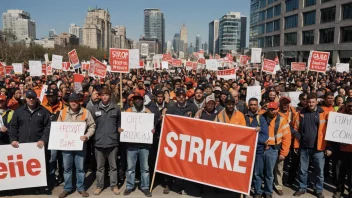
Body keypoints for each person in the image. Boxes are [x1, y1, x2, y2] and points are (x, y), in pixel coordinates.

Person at [9, 90, 51, 194]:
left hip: (37, 146)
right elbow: (13, 126)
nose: (31, 99)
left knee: (36, 167)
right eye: (29, 98)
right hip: (22, 145)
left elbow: (48, 127)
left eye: (33, 97)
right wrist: (13, 139)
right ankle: (20, 187)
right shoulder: (18, 111)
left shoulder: (43, 111)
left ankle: (36, 187)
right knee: (21, 167)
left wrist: (43, 139)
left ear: (36, 98)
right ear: (26, 99)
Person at [292, 93, 332, 198]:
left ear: (317, 102)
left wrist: (329, 147)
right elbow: (294, 129)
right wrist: (298, 141)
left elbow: (329, 131)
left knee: (319, 171)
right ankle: (302, 188)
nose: (311, 104)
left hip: (319, 148)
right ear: (306, 102)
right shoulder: (300, 113)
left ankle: (318, 190)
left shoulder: (324, 113)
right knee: (303, 170)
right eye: (309, 102)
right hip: (304, 147)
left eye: (313, 102)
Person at [57, 93, 96, 198]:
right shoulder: (62, 113)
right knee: (67, 168)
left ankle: (81, 187)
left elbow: (92, 126)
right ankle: (67, 188)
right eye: (71, 101)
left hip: (80, 145)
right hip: (66, 146)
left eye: (75, 101)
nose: (73, 103)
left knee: (80, 168)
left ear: (79, 102)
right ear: (68, 102)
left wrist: (87, 136)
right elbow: (58, 127)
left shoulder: (86, 112)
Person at [119, 93, 154, 197]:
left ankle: (145, 187)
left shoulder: (147, 112)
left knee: (145, 168)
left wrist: (152, 130)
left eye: (140, 99)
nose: (138, 101)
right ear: (133, 101)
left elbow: (151, 126)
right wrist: (120, 128)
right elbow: (122, 124)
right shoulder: (128, 111)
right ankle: (129, 186)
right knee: (130, 168)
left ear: (143, 100)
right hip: (131, 145)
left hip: (144, 145)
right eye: (136, 99)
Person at [90, 88, 121, 195]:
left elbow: (119, 122)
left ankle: (114, 185)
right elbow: (91, 124)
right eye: (102, 95)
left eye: (106, 95)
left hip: (112, 142)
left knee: (113, 166)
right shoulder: (95, 109)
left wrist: (119, 128)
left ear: (110, 96)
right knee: (100, 167)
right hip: (99, 142)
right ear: (100, 96)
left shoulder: (116, 108)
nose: (104, 97)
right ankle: (99, 186)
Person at [260, 102, 291, 198]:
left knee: (275, 170)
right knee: (262, 171)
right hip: (263, 147)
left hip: (275, 148)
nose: (272, 111)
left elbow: (287, 137)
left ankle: (273, 189)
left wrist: (283, 152)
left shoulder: (282, 120)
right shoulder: (262, 117)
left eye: (274, 109)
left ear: (278, 109)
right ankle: (263, 189)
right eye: (270, 109)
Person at [43, 88, 65, 188]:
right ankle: (51, 179)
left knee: (62, 159)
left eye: (52, 95)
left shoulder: (63, 105)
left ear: (56, 96)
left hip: (62, 136)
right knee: (52, 159)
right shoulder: (43, 106)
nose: (50, 98)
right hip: (50, 137)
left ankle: (62, 177)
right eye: (48, 96)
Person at [247, 98, 269, 198]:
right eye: (251, 105)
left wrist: (253, 136)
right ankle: (245, 189)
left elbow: (265, 136)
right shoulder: (244, 117)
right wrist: (252, 132)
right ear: (248, 105)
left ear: (257, 106)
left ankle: (258, 191)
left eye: (255, 105)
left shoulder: (261, 118)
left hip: (258, 150)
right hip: (245, 149)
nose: (253, 106)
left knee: (257, 172)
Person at [274, 96, 296, 195]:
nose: (285, 104)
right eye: (283, 102)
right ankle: (269, 184)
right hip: (275, 144)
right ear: (280, 103)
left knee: (280, 167)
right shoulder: (274, 112)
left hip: (288, 143)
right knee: (271, 167)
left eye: (287, 103)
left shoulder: (293, 112)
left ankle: (278, 185)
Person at [333, 98, 352, 198]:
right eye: (349, 106)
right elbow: (334, 127)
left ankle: (351, 190)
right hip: (342, 150)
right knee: (340, 171)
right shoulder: (341, 115)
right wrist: (342, 109)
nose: (351, 108)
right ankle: (339, 189)